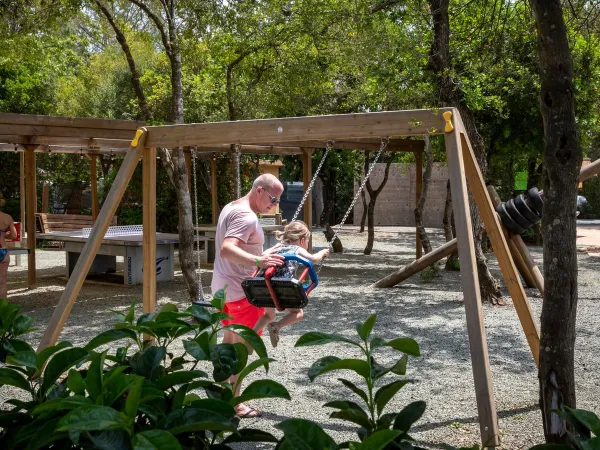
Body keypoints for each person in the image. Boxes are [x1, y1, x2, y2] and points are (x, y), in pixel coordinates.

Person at [211, 173, 285, 418]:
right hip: (241, 292)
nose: (274, 205)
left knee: (229, 342)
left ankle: (224, 397)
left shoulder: (232, 207)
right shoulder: (247, 216)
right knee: (243, 348)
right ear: (259, 190)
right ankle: (235, 404)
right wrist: (258, 260)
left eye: (277, 201)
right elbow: (227, 249)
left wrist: (263, 253)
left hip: (222, 289)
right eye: (273, 199)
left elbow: (240, 247)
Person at [253, 220, 329, 348]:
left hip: (263, 285)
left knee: (268, 315)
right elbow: (314, 259)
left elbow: (261, 256)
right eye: (307, 243)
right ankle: (276, 326)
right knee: (298, 314)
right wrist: (323, 252)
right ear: (302, 240)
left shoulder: (277, 247)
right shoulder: (297, 248)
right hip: (283, 287)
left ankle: (251, 338)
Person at [0, 194, 18, 299]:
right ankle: (2, 310)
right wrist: (5, 235)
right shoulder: (7, 217)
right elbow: (14, 235)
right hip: (3, 251)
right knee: (2, 282)